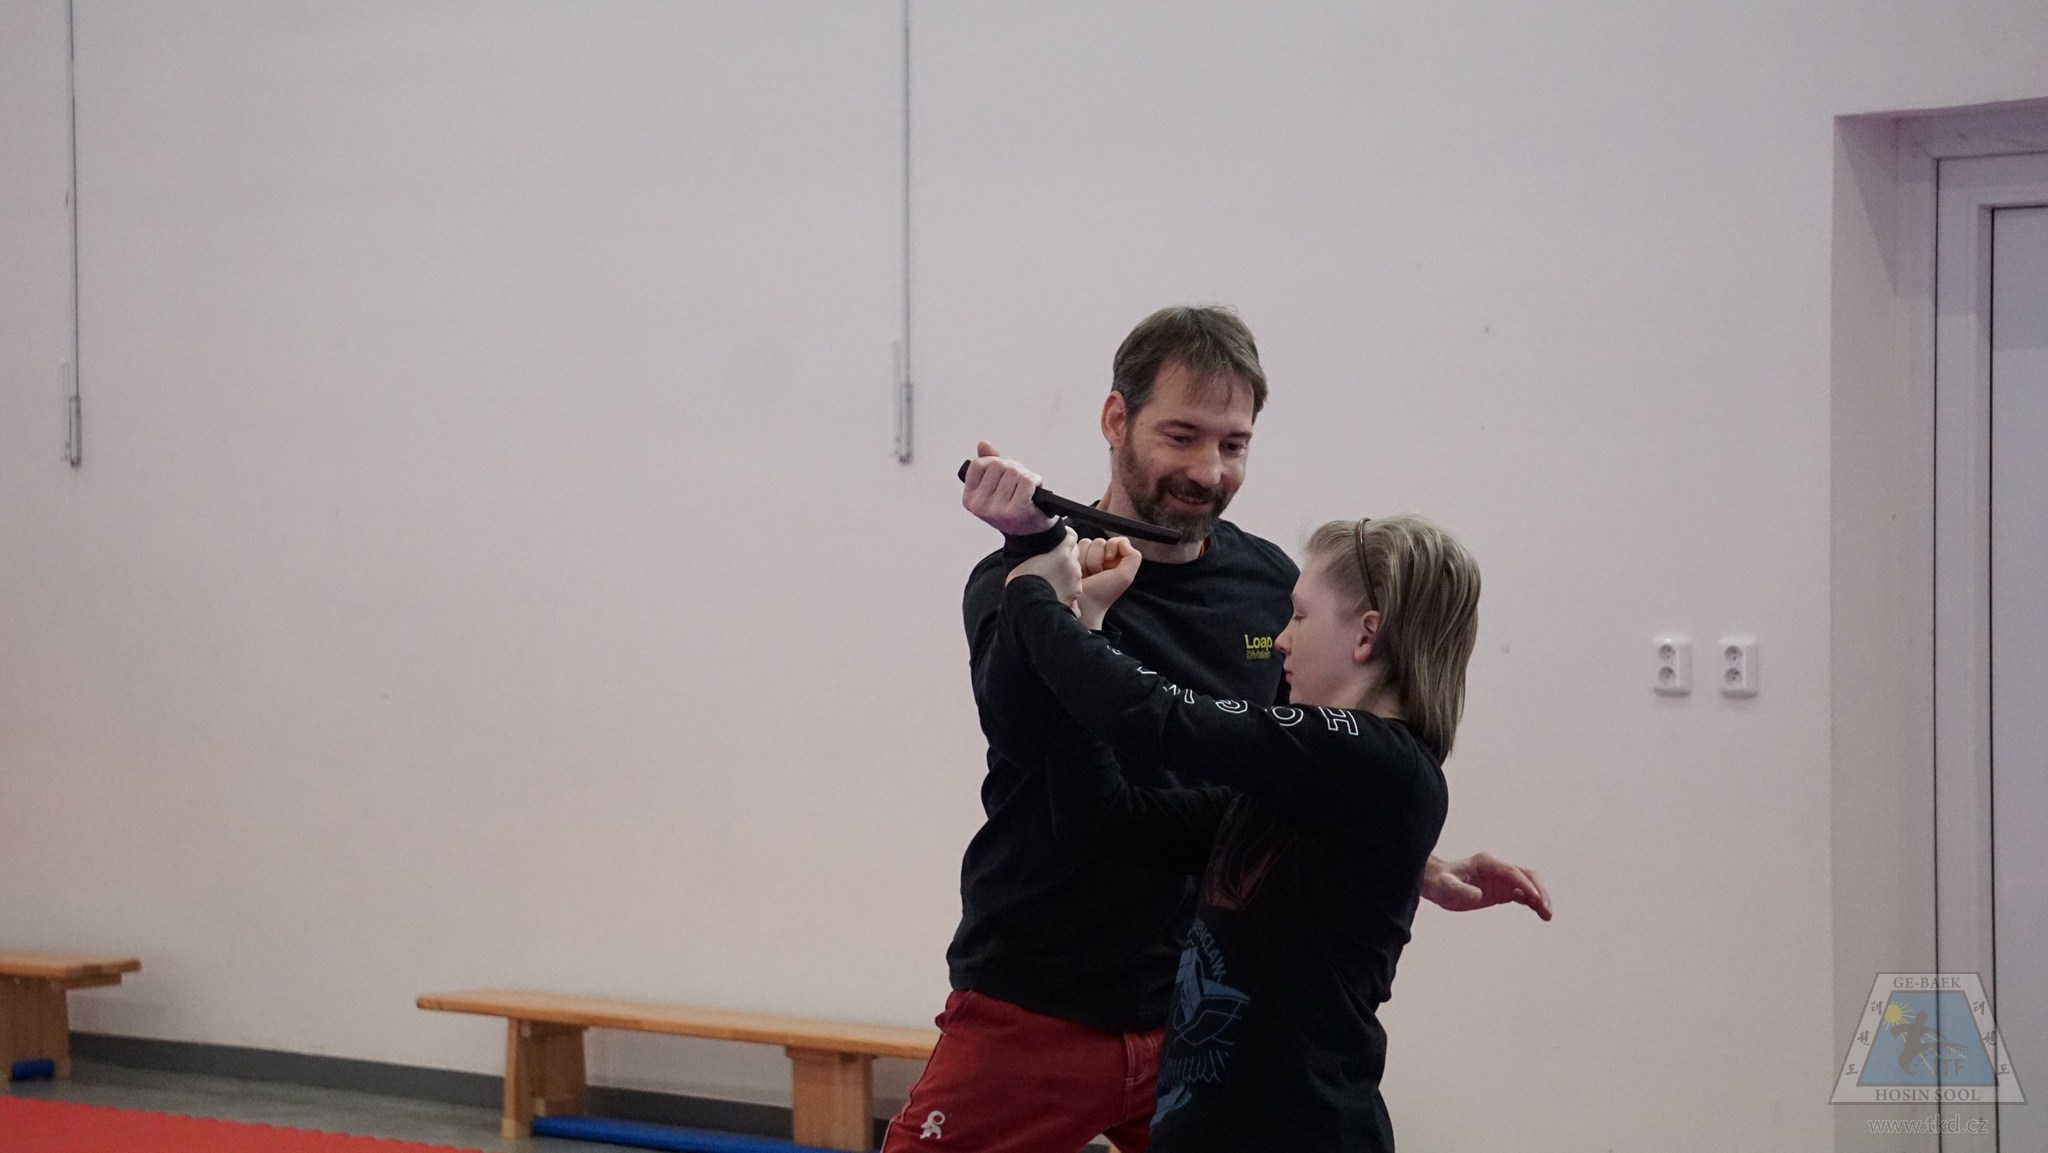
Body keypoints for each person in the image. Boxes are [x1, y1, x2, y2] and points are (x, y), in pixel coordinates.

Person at [881, 306, 1548, 1153]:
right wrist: (1036, 566)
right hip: (1040, 991)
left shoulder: (1270, 588)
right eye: (1182, 436)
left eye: (1234, 444)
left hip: (1198, 1015)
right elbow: (1045, 758)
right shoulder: (1024, 575)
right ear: (1116, 419)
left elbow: (1294, 771)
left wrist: (1397, 856)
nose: (1208, 470)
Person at [998, 516, 1477, 1150]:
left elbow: (1158, 717)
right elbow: (1104, 821)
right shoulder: (1306, 788)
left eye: (1299, 617)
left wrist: (1033, 592)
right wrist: (1082, 624)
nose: (1280, 641)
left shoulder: (1378, 759)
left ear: (1367, 635)